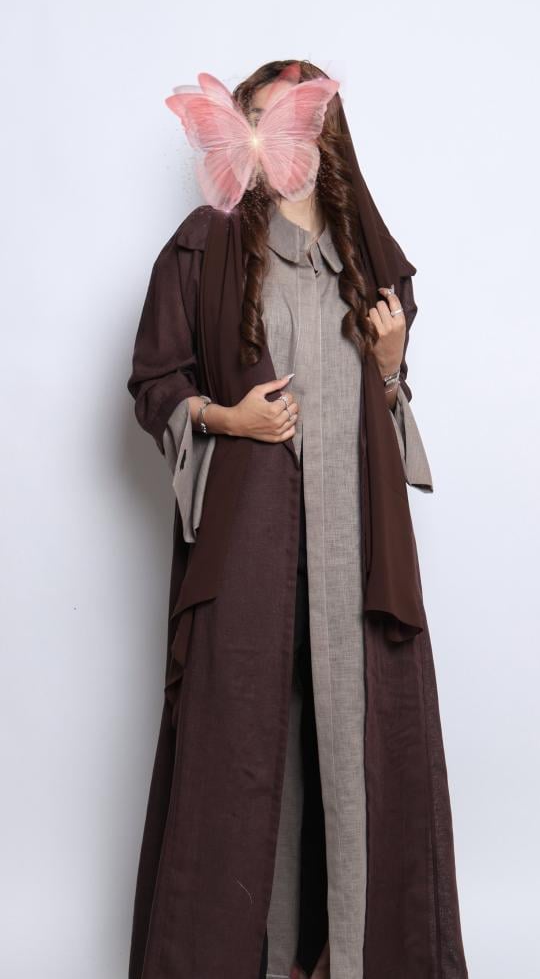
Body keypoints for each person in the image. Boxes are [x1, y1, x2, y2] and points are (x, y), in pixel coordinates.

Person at [126, 59, 469, 979]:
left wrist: (390, 363)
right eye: (254, 118)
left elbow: (386, 407)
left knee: (355, 751)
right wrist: (226, 417)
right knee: (244, 747)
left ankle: (350, 961)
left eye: (291, 118)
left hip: (355, 555)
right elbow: (154, 380)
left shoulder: (365, 261)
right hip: (251, 550)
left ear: (325, 132)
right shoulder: (205, 247)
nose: (268, 137)